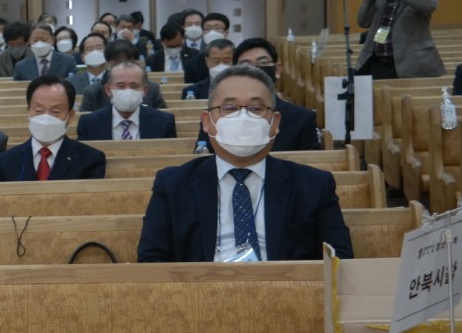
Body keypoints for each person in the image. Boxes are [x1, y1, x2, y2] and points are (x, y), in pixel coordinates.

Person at [138, 64, 354, 263]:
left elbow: (339, 261)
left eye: (256, 109)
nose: (243, 117)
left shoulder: (314, 185)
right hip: (199, 289)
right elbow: (151, 262)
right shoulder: (173, 184)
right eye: (229, 108)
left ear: (274, 123)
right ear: (207, 122)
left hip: (285, 289)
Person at [0, 76, 105, 182]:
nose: (46, 118)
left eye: (55, 111)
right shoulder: (4, 161)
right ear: (28, 112)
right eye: (38, 111)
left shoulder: (90, 159)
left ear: (70, 116)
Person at [77, 60, 177, 141]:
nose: (128, 91)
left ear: (145, 91)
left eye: (134, 86)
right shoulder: (89, 123)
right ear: (108, 90)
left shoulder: (164, 122)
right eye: (121, 86)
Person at [78, 42, 168, 113]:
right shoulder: (92, 92)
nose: (123, 65)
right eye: (118, 61)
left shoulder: (152, 88)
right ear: (107, 62)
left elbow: (162, 119)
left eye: (128, 61)